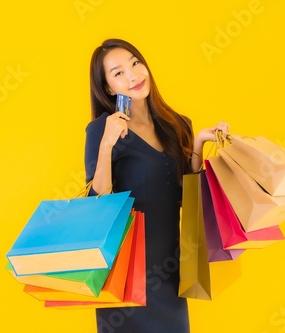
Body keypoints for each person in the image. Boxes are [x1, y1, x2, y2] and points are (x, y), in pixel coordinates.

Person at [84, 38, 229, 333]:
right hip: (125, 273)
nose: (133, 75)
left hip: (169, 267)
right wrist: (107, 146)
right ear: (109, 88)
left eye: (135, 63)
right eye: (119, 72)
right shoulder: (102, 129)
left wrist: (199, 143)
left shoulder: (177, 124)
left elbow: (184, 196)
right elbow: (97, 202)